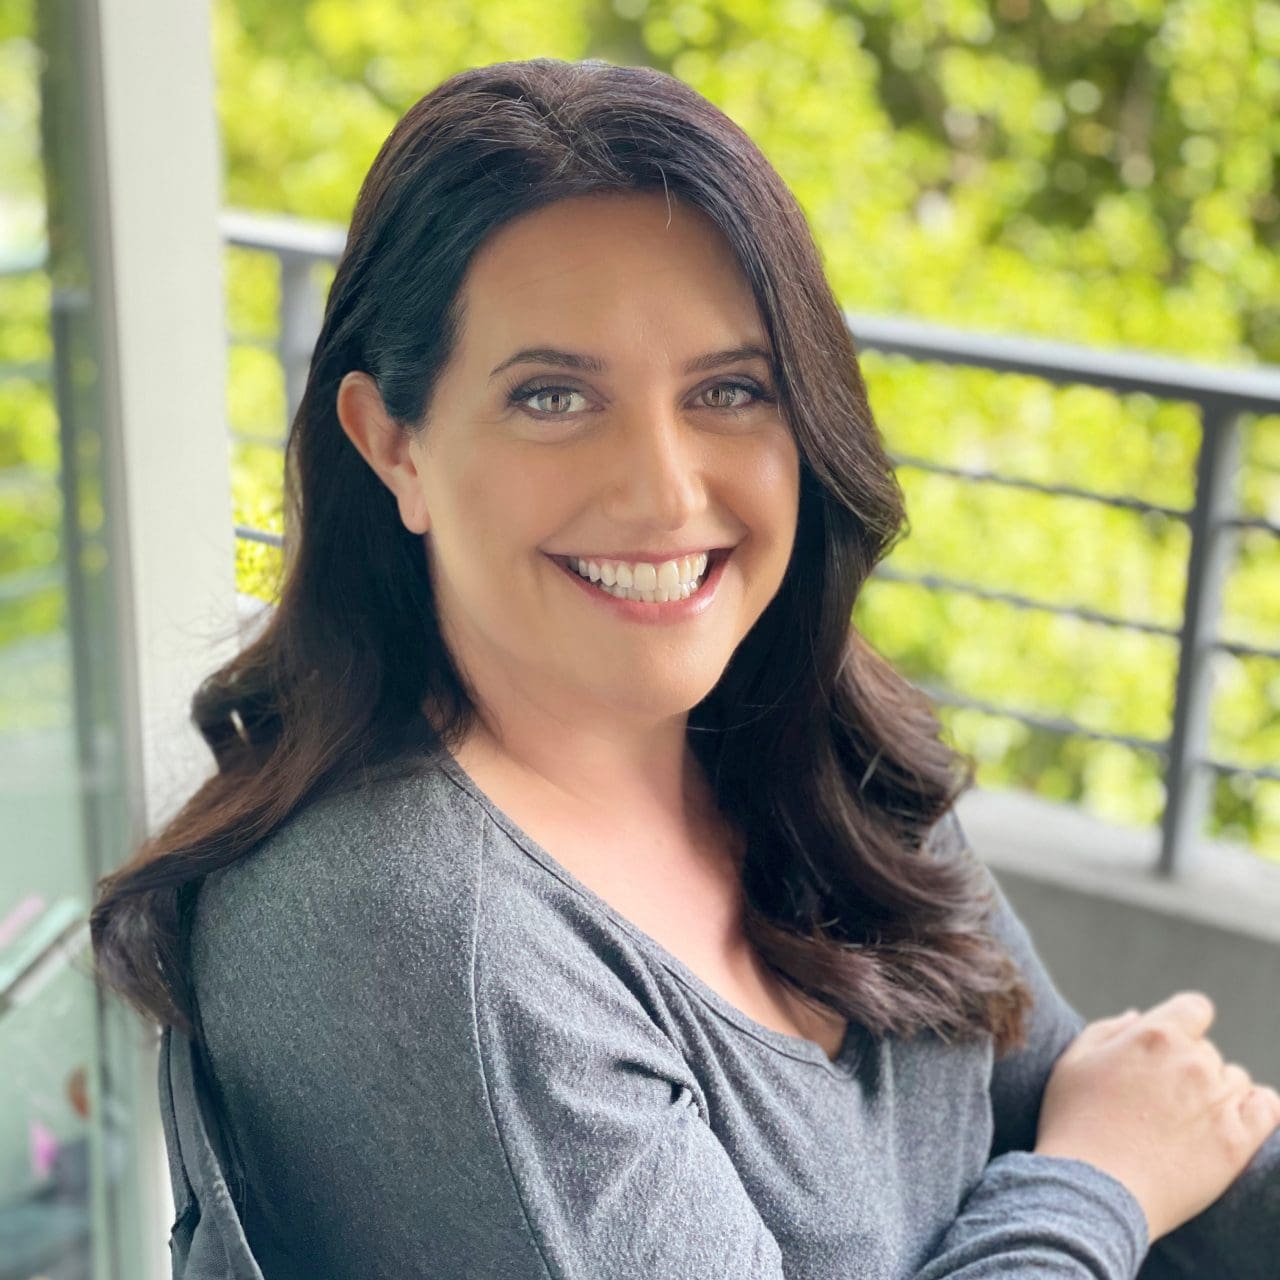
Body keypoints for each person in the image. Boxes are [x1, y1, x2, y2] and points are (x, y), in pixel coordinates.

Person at [90, 57, 1279, 1279]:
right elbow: (1106, 1143)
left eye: (728, 389)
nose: (663, 492)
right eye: (552, 396)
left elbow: (1079, 1089)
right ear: (392, 443)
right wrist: (1096, 1186)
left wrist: (1115, 1158)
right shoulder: (424, 936)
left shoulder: (811, 743)